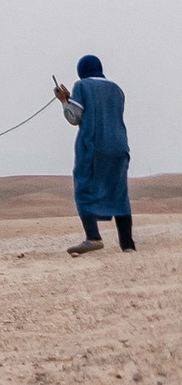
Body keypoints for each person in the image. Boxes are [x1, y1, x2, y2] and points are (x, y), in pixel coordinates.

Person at [57, 55, 133, 256]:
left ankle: (93, 237)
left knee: (84, 187)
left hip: (94, 146)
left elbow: (75, 117)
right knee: (119, 193)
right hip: (119, 146)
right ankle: (127, 244)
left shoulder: (81, 86)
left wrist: (64, 100)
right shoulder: (117, 89)